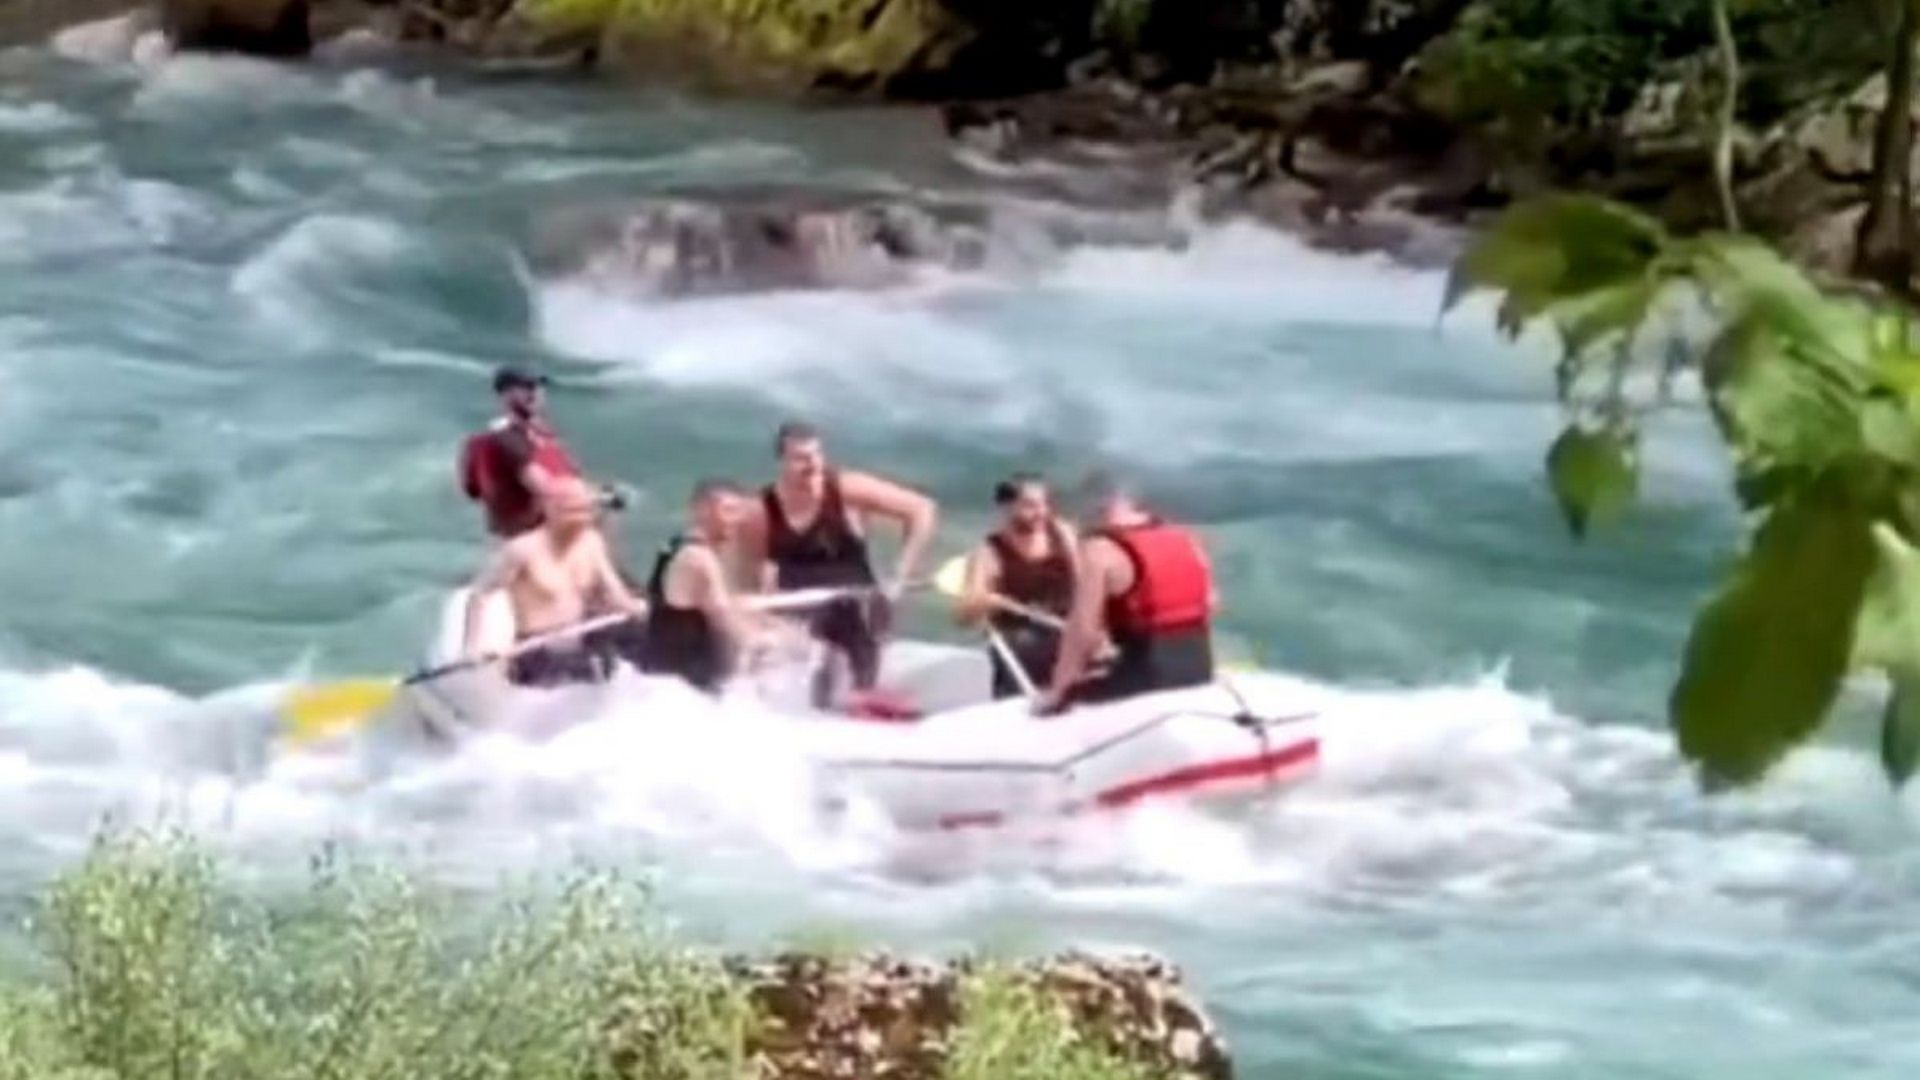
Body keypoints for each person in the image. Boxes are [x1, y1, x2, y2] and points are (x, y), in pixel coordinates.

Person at [744, 420, 939, 707]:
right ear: (781, 461)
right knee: (782, 655)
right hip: (801, 607)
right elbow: (754, 573)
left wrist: (899, 575)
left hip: (855, 602)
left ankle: (863, 697)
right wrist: (761, 617)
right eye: (800, 458)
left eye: (817, 455)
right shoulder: (762, 509)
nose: (812, 465)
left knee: (861, 637)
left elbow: (922, 510)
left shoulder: (846, 489)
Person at [1038, 474, 1218, 714]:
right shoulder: (1185, 537)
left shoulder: (1098, 550)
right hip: (1200, 668)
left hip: (1148, 676)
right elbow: (1211, 602)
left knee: (1069, 696)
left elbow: (1082, 630)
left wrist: (1058, 690)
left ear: (1096, 507)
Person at [463, 478, 649, 688]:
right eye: (573, 511)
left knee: (636, 642)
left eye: (585, 511)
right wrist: (472, 647)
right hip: (536, 651)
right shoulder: (521, 550)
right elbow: (480, 594)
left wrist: (634, 608)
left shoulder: (591, 541)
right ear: (550, 510)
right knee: (571, 675)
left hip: (579, 638)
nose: (581, 518)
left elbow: (612, 590)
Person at [640, 478, 788, 693]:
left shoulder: (672, 547)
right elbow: (727, 622)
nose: (736, 520)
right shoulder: (699, 559)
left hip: (659, 678)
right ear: (702, 511)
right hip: (684, 689)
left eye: (739, 512)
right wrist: (774, 643)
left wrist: (768, 623)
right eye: (728, 511)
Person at [956, 473, 1079, 699]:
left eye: (1045, 504)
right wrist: (987, 600)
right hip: (1019, 640)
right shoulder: (990, 552)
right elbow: (963, 617)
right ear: (1007, 507)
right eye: (1030, 506)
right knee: (1024, 643)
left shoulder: (1062, 535)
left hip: (1064, 630)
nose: (1041, 512)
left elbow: (1086, 584)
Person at [458, 365, 597, 539]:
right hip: (530, 537)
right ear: (505, 394)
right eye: (527, 387)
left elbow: (473, 491)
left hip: (549, 532)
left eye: (539, 387)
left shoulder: (544, 437)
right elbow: (546, 489)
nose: (535, 394)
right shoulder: (505, 438)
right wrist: (595, 498)